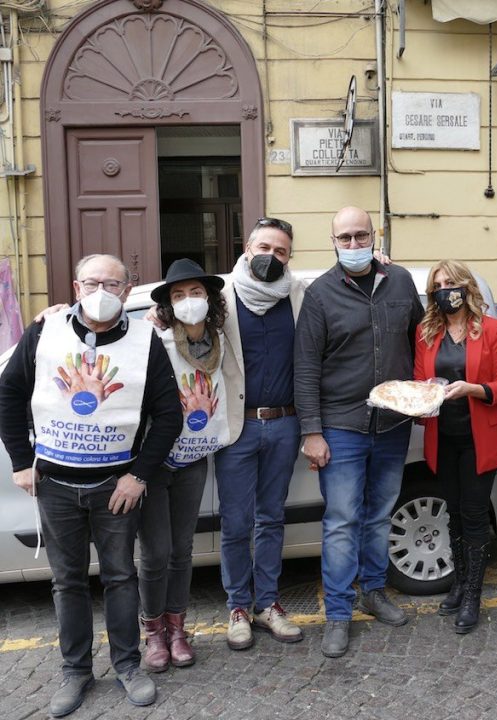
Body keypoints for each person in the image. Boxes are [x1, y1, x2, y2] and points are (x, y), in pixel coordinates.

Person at [0, 254, 182, 716]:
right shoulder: (44, 332)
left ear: (128, 289)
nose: (102, 291)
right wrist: (22, 460)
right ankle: (75, 671)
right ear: (76, 286)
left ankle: (128, 665)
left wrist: (138, 475)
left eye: (113, 283)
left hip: (115, 487)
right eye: (92, 282)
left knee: (121, 577)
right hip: (56, 484)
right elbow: (8, 393)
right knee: (68, 583)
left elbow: (168, 416)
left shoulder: (146, 342)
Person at [295, 206, 424, 658]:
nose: (353, 245)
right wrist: (312, 432)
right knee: (342, 521)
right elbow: (306, 367)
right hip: (342, 425)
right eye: (345, 238)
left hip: (392, 423)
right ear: (333, 241)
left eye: (360, 236)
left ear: (375, 236)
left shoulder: (401, 281)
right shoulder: (320, 295)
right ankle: (338, 613)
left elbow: (421, 339)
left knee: (379, 515)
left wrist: (426, 395)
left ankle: (374, 590)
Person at [213, 217, 307, 651]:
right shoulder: (219, 297)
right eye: (264, 247)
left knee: (271, 518)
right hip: (238, 427)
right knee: (235, 523)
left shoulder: (299, 294)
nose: (271, 257)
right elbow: (176, 326)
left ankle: (268, 604)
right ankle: (237, 607)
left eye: (281, 251)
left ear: (290, 257)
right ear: (247, 248)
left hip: (286, 423)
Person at [413, 260, 497, 634]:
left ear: (466, 287)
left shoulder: (493, 330)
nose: (445, 289)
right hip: (442, 437)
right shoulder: (426, 332)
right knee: (452, 513)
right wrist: (419, 395)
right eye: (438, 284)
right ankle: (459, 583)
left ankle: (473, 594)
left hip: (480, 438)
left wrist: (475, 389)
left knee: (474, 515)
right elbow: (418, 379)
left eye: (451, 282)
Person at [137, 259, 231, 672]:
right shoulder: (153, 339)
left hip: (194, 457)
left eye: (195, 293)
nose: (188, 301)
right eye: (178, 295)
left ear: (208, 298)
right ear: (167, 305)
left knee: (182, 550)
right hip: (155, 461)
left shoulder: (222, 339)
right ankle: (153, 633)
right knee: (155, 552)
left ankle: (178, 628)